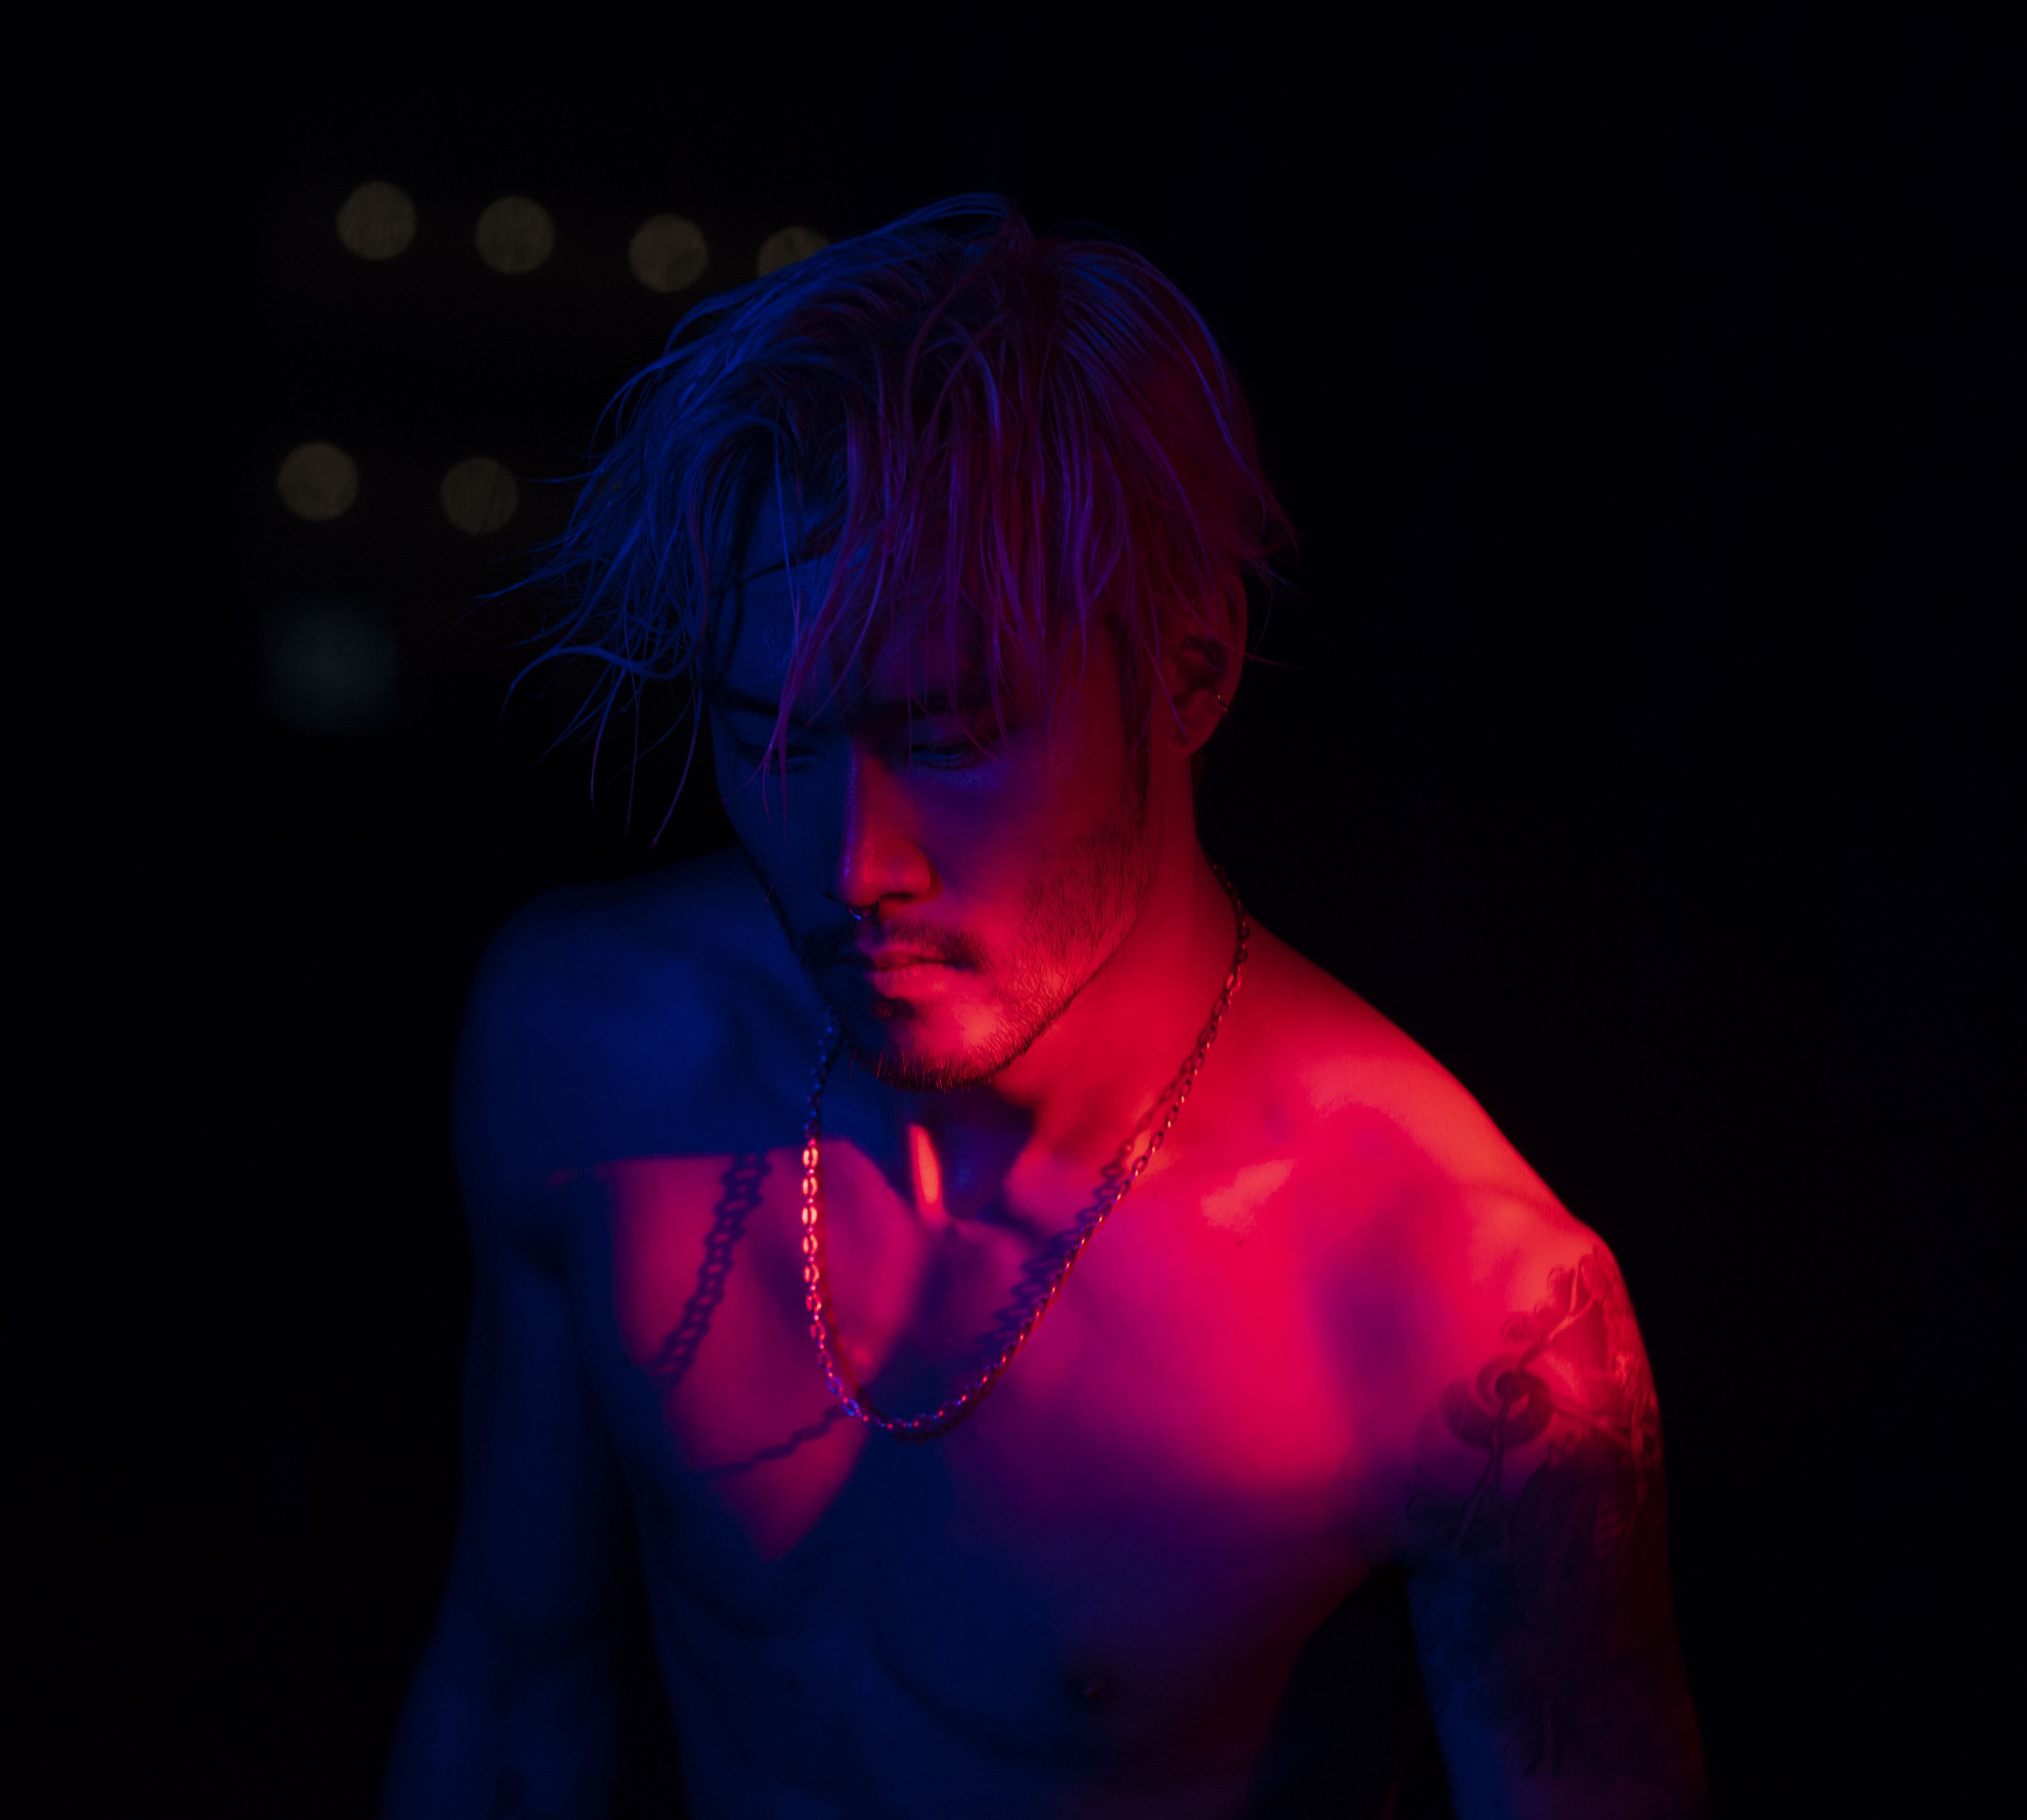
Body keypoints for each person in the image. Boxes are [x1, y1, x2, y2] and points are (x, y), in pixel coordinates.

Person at [383, 196, 1706, 1819]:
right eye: (773, 740)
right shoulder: (597, 1049)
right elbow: (514, 1709)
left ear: (1190, 676)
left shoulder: (1462, 1312)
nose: (852, 866)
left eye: (949, 739)